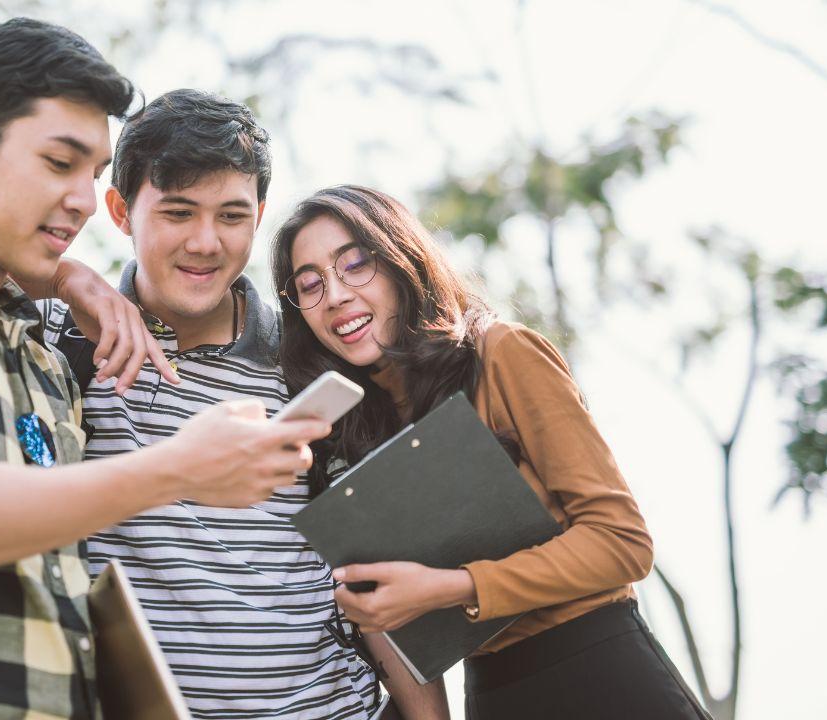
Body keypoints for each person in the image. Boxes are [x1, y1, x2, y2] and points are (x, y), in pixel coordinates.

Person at [0, 20, 328, 720]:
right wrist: (181, 468)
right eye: (58, 162)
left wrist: (66, 279)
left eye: (91, 172)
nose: (78, 198)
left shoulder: (39, 353)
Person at [270, 185, 713, 720]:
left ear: (400, 260)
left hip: (602, 673)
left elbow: (623, 543)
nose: (336, 295)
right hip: (491, 693)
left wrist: (453, 588)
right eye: (310, 286)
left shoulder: (501, 352)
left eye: (356, 264)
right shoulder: (350, 433)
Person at [40, 90, 381, 718]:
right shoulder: (60, 339)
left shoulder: (308, 359)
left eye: (230, 215)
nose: (205, 242)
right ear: (120, 210)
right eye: (177, 212)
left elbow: (372, 566)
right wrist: (67, 276)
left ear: (259, 215)